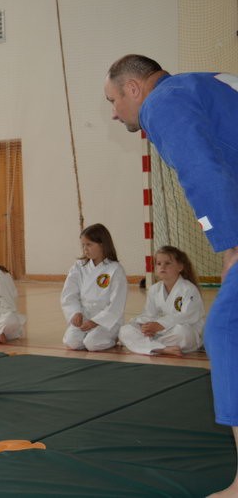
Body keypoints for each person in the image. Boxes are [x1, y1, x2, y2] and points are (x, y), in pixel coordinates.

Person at [105, 54, 238, 495]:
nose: (114, 113)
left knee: (226, 330)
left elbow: (201, 169)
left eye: (113, 100)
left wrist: (230, 242)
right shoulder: (202, 84)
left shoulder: (162, 103)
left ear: (134, 89)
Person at [118, 246, 204, 356]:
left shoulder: (189, 289)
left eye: (167, 263)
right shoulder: (154, 289)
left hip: (181, 333)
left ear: (180, 267)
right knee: (125, 330)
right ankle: (161, 349)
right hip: (159, 333)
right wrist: (145, 325)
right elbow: (149, 314)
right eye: (159, 264)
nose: (162, 267)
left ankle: (149, 346)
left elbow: (187, 316)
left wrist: (160, 325)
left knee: (183, 333)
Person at [60, 223, 127, 352]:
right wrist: (75, 312)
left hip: (107, 320)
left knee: (92, 344)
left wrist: (96, 322)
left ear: (102, 244)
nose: (85, 249)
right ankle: (88, 334)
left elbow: (117, 304)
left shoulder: (115, 269)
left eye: (89, 245)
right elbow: (69, 294)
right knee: (71, 342)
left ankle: (114, 337)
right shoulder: (79, 266)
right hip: (84, 317)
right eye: (83, 245)